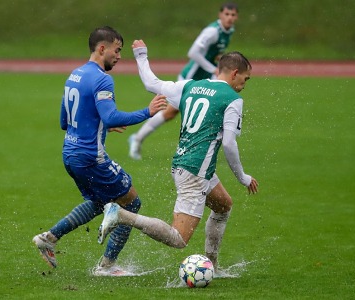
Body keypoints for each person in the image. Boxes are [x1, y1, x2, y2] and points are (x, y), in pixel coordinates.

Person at [97, 39, 258, 276]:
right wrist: (243, 177)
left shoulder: (190, 86)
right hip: (195, 172)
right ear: (235, 73)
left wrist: (141, 55)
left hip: (188, 165)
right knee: (178, 238)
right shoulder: (233, 99)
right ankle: (121, 215)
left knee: (223, 205)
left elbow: (151, 83)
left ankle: (212, 265)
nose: (244, 85)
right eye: (245, 79)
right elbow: (229, 143)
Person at [32, 27, 167, 276]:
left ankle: (49, 238)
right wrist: (147, 112)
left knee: (98, 202)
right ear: (102, 48)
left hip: (70, 155)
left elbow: (65, 121)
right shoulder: (103, 79)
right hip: (90, 157)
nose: (119, 56)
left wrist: (101, 123)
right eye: (117, 50)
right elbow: (111, 115)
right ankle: (107, 266)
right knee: (131, 203)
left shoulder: (75, 74)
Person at [128, 2, 239, 160]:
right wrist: (213, 68)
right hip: (189, 79)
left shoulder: (229, 31)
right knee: (170, 112)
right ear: (220, 15)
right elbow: (193, 52)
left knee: (173, 113)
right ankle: (138, 139)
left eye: (233, 15)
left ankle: (139, 138)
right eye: (227, 14)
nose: (230, 18)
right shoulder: (212, 31)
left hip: (204, 80)